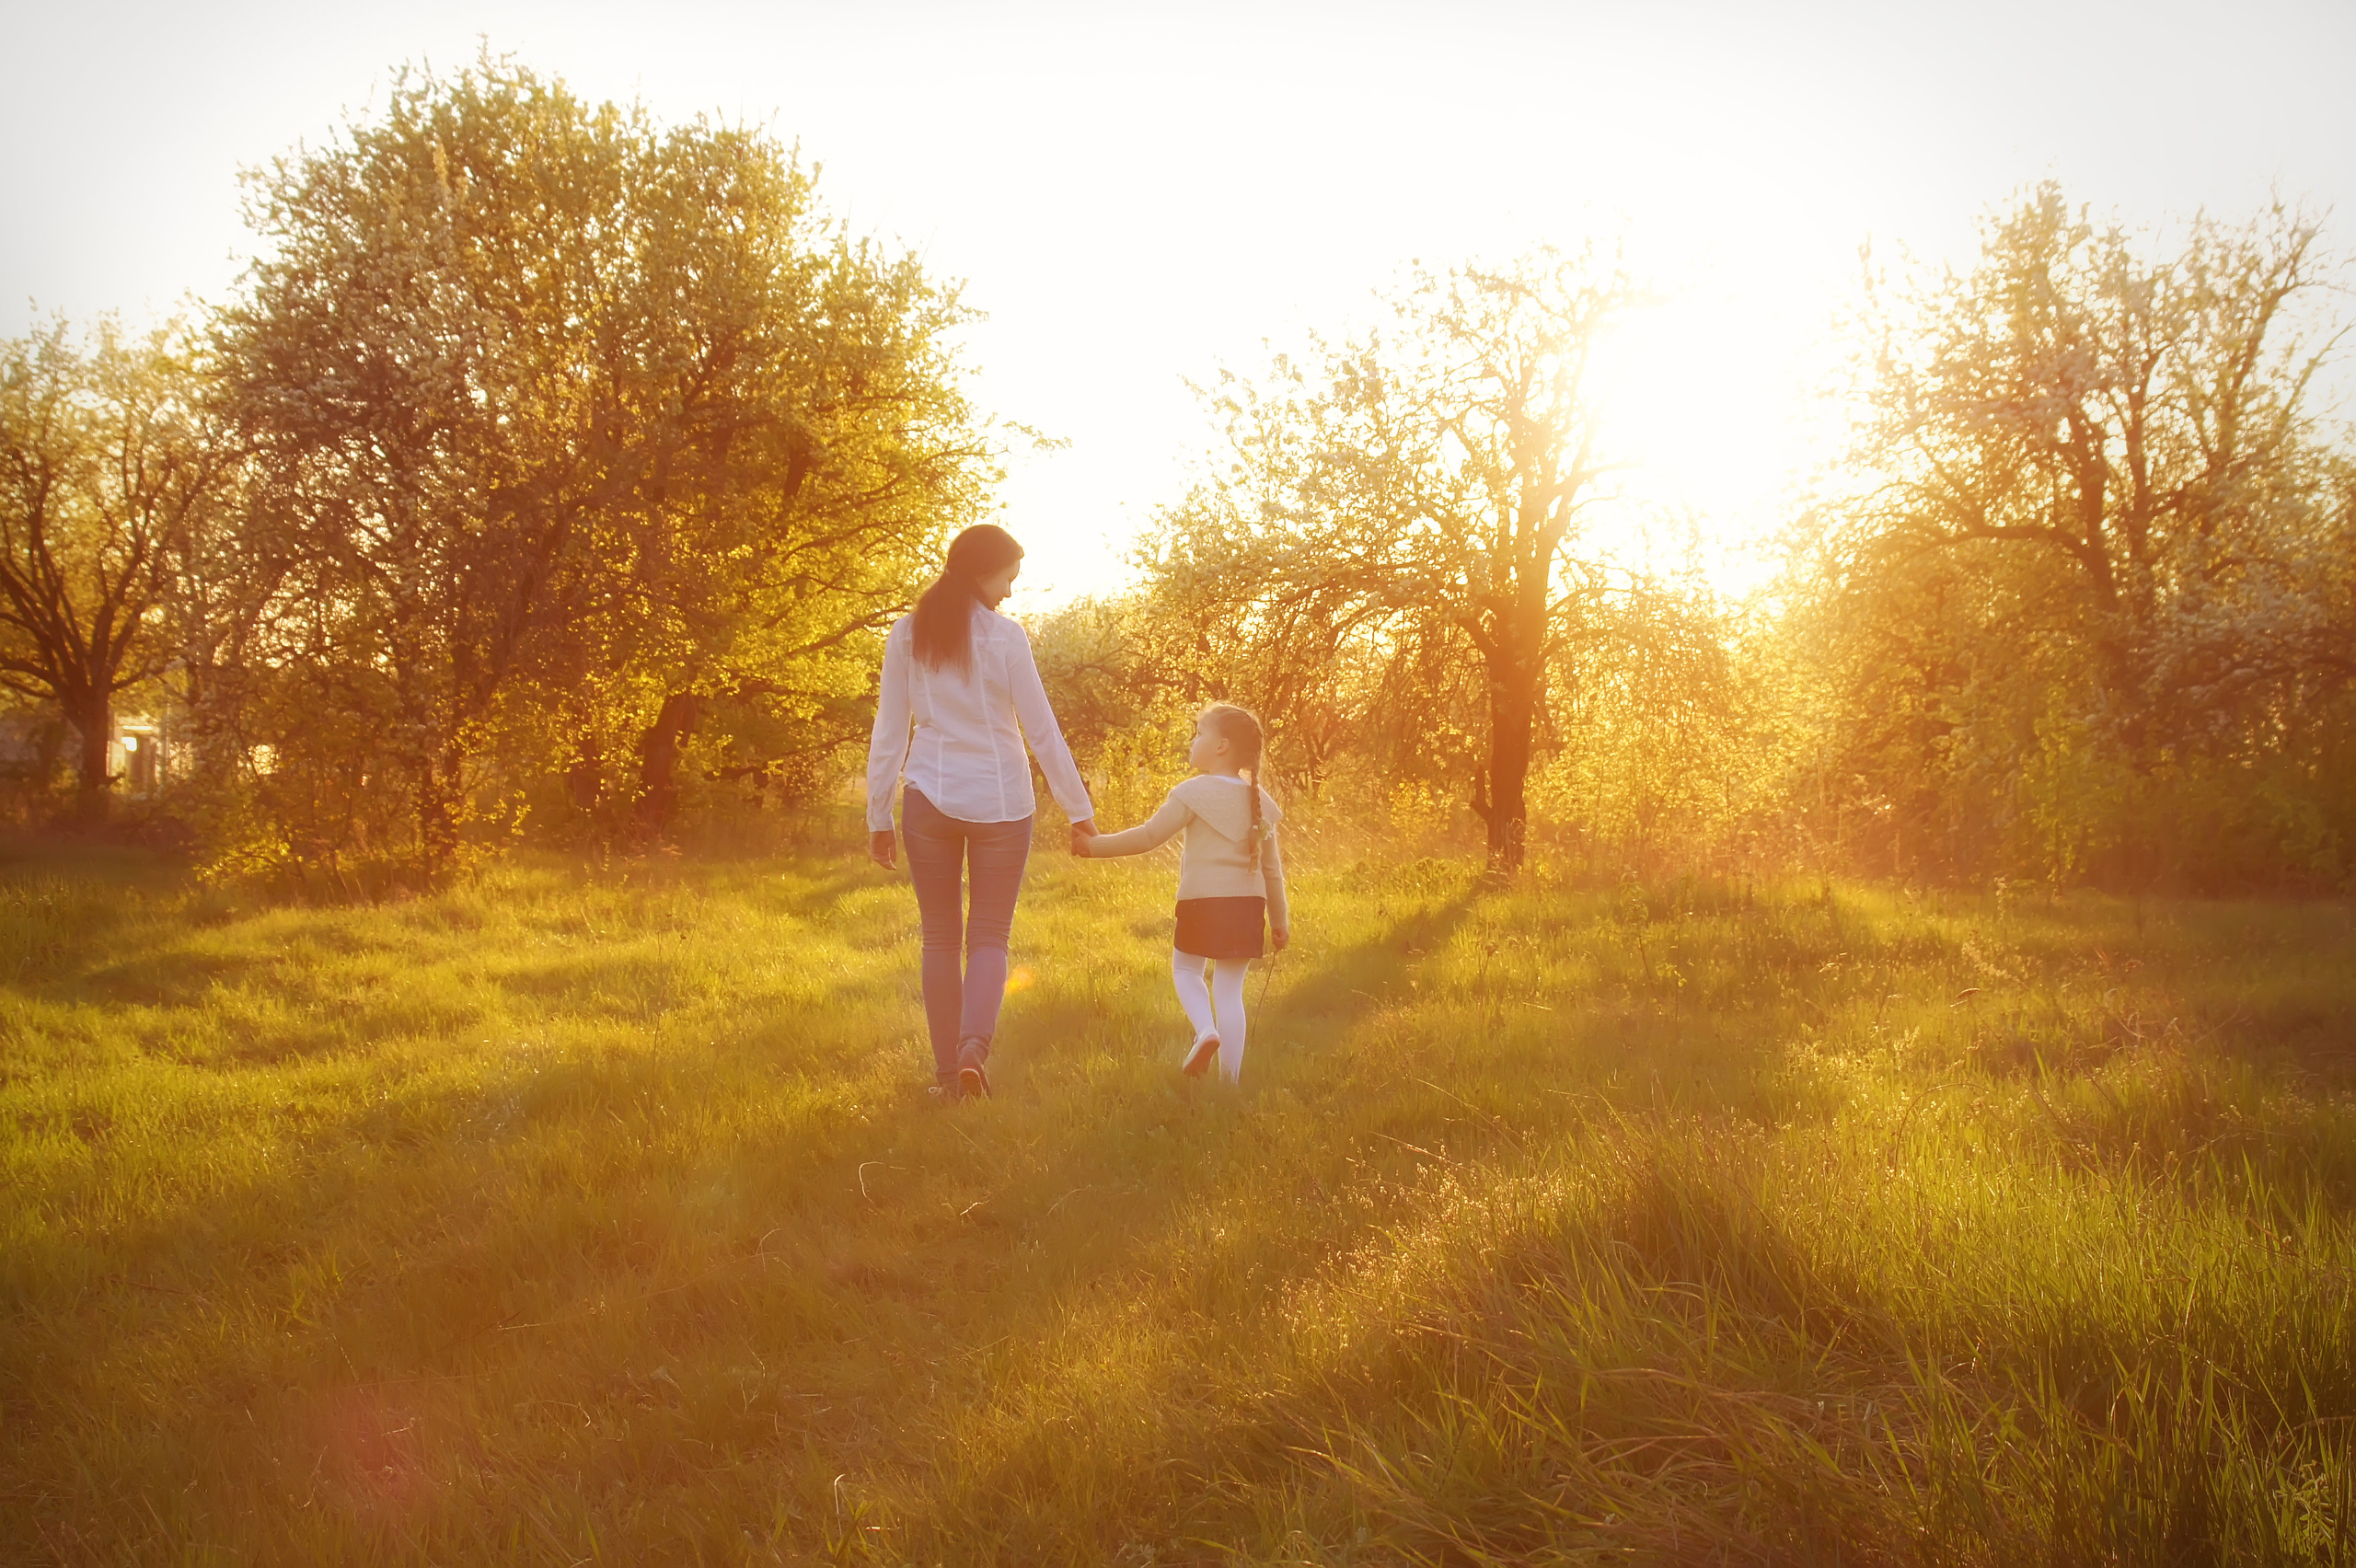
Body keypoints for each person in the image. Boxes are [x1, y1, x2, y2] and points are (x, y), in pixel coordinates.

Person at [866, 525, 1095, 1100]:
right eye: (1008, 579)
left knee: (940, 939)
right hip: (1001, 802)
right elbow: (1042, 732)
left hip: (929, 798)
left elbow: (890, 733)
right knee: (989, 935)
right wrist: (1077, 809)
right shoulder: (1005, 637)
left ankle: (948, 1079)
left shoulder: (905, 634)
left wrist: (877, 817)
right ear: (980, 571)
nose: (1011, 593)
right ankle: (974, 1049)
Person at [1071, 703, 1288, 1083]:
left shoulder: (1193, 793)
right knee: (1230, 992)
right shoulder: (1261, 804)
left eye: (1199, 732)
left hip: (1201, 902)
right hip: (1247, 906)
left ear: (1221, 745)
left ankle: (1205, 1031)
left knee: (1187, 970)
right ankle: (1229, 1086)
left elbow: (1149, 836)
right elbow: (1273, 871)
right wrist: (1281, 923)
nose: (1193, 740)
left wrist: (1094, 846)